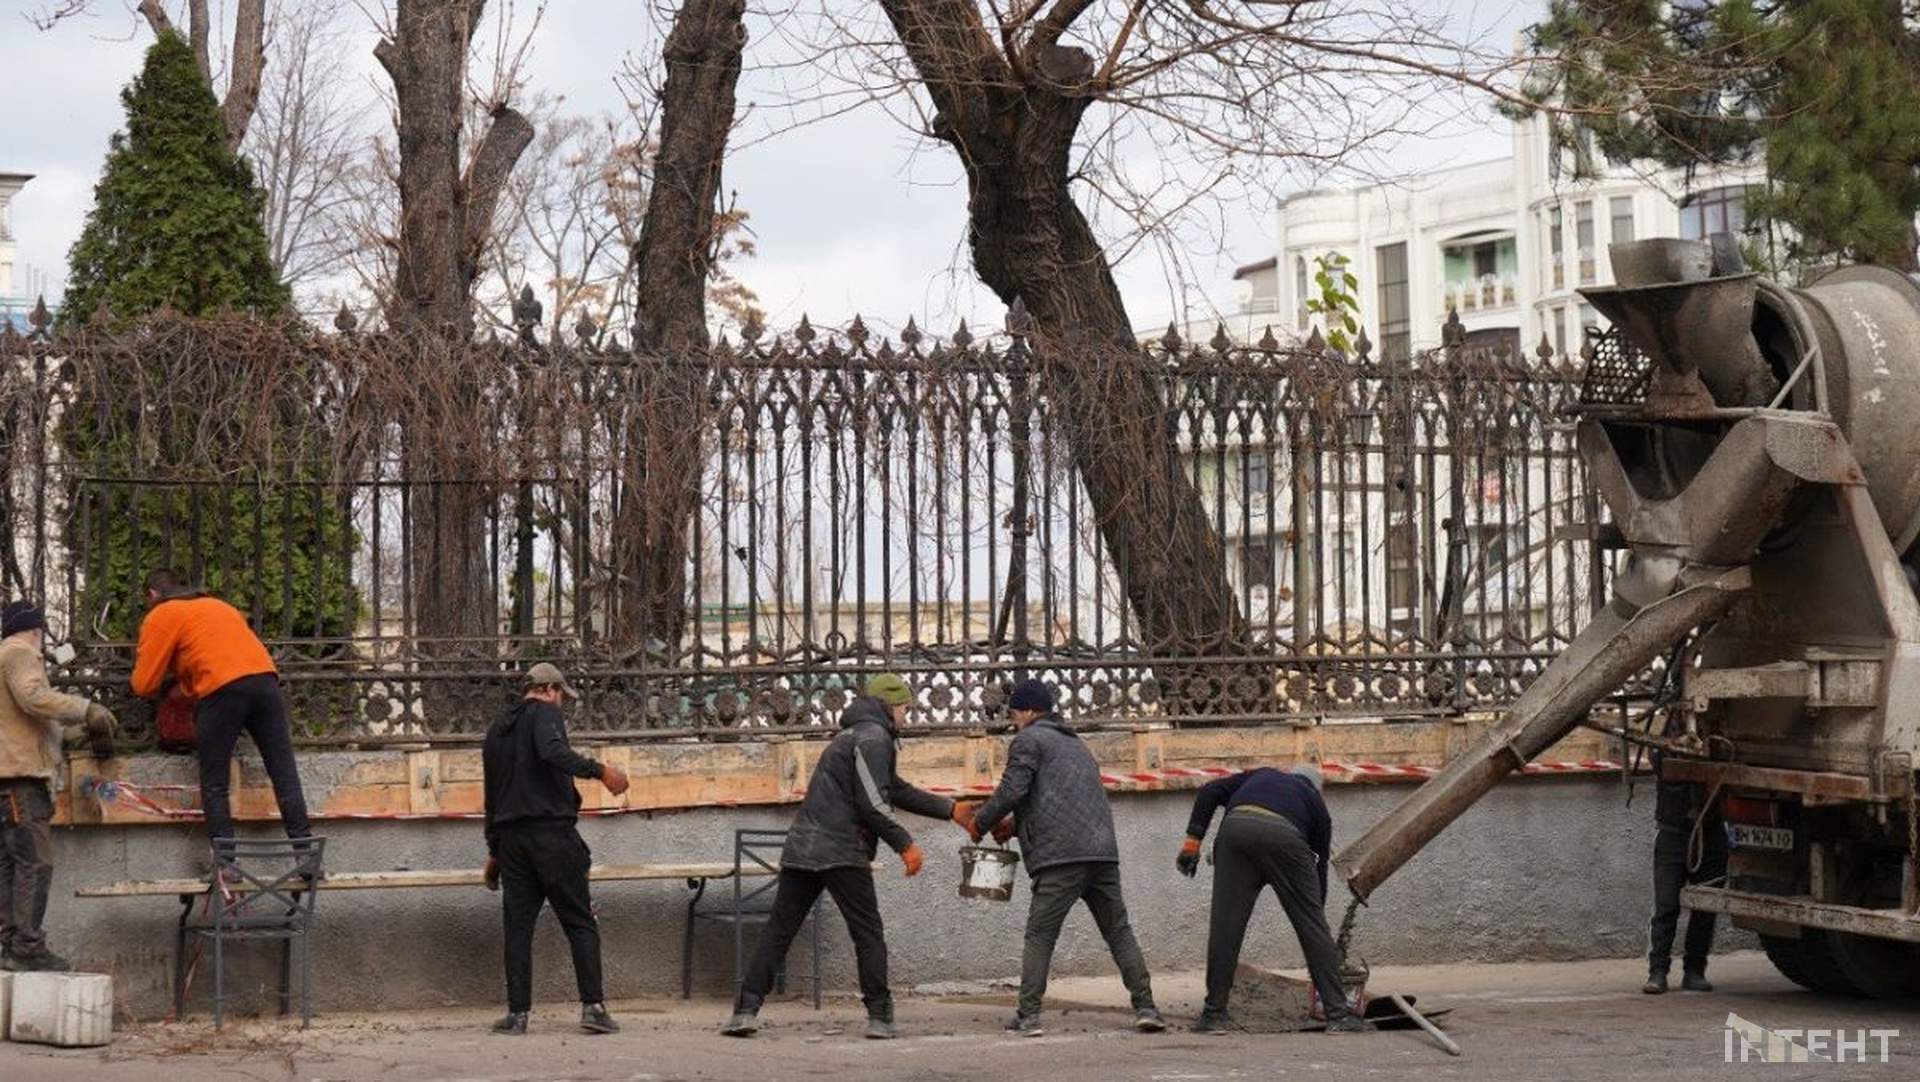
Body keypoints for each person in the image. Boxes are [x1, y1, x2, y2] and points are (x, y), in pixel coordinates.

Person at [722, 673, 972, 1040]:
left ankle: (745, 1011)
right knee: (868, 933)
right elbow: (872, 803)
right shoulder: (875, 738)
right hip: (842, 848)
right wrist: (905, 844)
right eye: (905, 709)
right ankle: (881, 1017)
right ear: (891, 707)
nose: (906, 716)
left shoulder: (852, 735)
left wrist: (949, 809)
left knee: (779, 931)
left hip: (804, 845)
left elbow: (894, 789)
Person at [969, 678, 1165, 1037]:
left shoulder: (1028, 739)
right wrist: (1011, 827)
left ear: (1028, 711)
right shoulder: (1076, 744)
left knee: (1040, 934)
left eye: (1014, 714)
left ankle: (1028, 1016)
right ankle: (1147, 1007)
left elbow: (1014, 789)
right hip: (1102, 852)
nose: (1013, 720)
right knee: (1118, 930)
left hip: (1060, 856)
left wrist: (981, 821)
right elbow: (1055, 800)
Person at [482, 661, 630, 1035]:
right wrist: (601, 771)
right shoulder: (545, 714)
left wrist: (494, 850)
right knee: (580, 921)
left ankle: (517, 1015)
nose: (561, 702)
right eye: (562, 695)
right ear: (549, 690)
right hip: (552, 835)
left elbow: (492, 797)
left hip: (512, 842)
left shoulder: (497, 731)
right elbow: (551, 752)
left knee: (517, 928)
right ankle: (593, 1008)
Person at [1178, 763, 1372, 1034]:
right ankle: (1338, 1015)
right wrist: (1315, 913)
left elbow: (1210, 791)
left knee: (1226, 927)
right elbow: (1318, 869)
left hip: (1236, 832)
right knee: (1312, 927)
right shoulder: (1315, 802)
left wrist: (1192, 844)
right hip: (1286, 839)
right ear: (1316, 788)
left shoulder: (1261, 775)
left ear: (1291, 775)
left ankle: (1214, 1015)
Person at [130, 569, 310, 848]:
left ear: (152, 595)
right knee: (284, 772)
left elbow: (143, 684)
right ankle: (305, 851)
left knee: (215, 782)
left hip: (221, 689)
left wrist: (172, 679)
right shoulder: (220, 606)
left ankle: (226, 862)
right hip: (266, 681)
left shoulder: (161, 614)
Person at [1, 600, 116, 972]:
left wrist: (74, 732)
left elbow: (29, 723)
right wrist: (87, 709)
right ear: (36, 630)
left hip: (10, 777)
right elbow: (34, 699)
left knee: (12, 863)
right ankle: (27, 947)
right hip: (21, 779)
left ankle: (9, 944)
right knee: (35, 862)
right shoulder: (20, 653)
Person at [1643, 746, 1725, 994]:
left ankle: (1695, 970)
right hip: (1673, 833)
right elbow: (1659, 762)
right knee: (1666, 906)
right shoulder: (1665, 748)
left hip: (1710, 833)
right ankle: (1657, 971)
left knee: (1705, 907)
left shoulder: (1720, 747)